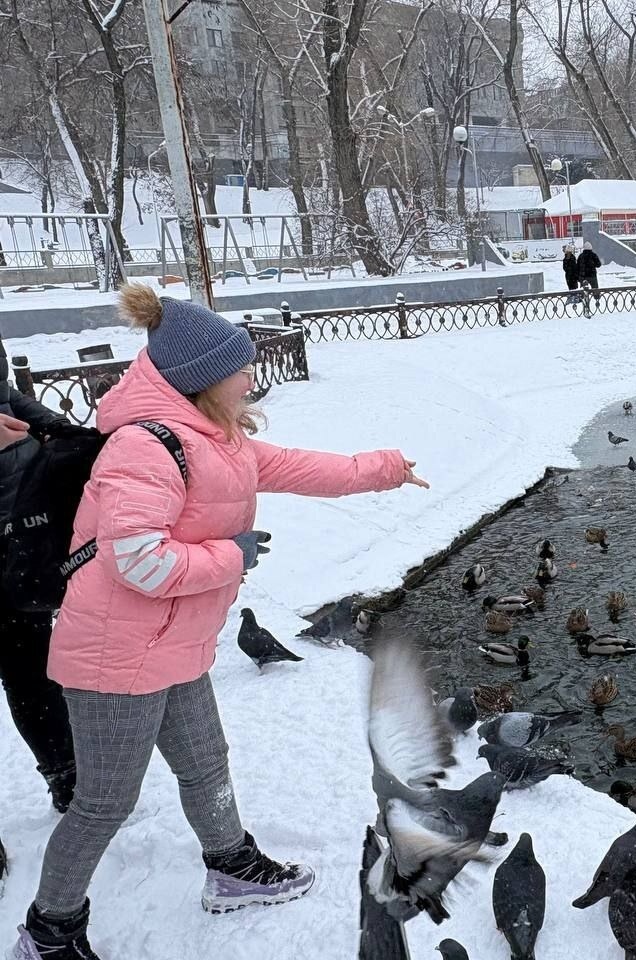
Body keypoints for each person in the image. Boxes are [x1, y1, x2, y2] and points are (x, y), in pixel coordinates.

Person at [11, 284, 429, 960]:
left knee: (207, 765)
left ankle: (229, 865)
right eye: (242, 366)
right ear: (203, 377)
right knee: (104, 803)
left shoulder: (215, 439)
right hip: (115, 656)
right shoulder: (143, 450)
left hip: (172, 643)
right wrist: (227, 556)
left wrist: (384, 468)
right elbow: (139, 562)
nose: (252, 375)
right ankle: (49, 930)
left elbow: (297, 466)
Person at [1, 338, 78, 813]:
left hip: (14, 530)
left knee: (29, 666)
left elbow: (5, 393)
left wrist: (51, 424)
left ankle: (65, 775)